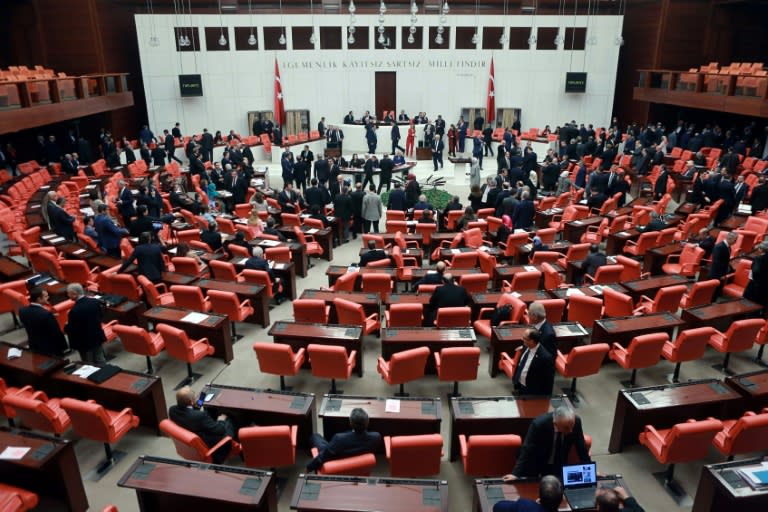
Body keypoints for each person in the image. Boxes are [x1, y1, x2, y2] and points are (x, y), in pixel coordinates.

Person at [504, 406, 591, 479]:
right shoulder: (539, 424)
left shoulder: (576, 422)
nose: (571, 430)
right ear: (555, 423)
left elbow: (581, 447)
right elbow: (527, 449)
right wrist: (515, 474)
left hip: (558, 464)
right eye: (566, 428)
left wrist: (590, 471)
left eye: (572, 425)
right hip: (537, 462)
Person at [169, 386, 236, 464]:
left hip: (194, 430)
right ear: (191, 402)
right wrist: (221, 420)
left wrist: (195, 406)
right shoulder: (200, 416)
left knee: (209, 412)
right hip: (210, 442)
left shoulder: (172, 410)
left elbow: (189, 415)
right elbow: (220, 430)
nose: (196, 399)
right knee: (230, 420)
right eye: (194, 397)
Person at [307, 407, 381, 472]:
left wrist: (308, 468)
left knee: (315, 436)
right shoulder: (376, 437)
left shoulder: (339, 438)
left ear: (350, 422)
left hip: (335, 462)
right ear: (367, 422)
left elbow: (322, 457)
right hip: (358, 465)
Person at [64, 283, 107, 364]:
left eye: (68, 293)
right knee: (100, 359)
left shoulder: (74, 311)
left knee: (88, 363)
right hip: (96, 336)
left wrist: (66, 326)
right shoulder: (95, 302)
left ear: (74, 293)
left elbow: (72, 329)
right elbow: (101, 316)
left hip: (84, 342)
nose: (67, 295)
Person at [18, 288, 68, 356]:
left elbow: (33, 321)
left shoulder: (22, 311)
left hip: (34, 346)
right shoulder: (46, 314)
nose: (48, 297)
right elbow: (56, 332)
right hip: (51, 348)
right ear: (39, 299)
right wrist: (64, 347)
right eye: (46, 296)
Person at [512, 328, 555, 396]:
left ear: (532, 341)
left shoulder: (545, 358)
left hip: (531, 391)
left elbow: (549, 381)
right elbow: (520, 364)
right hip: (519, 385)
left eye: (524, 338)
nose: (522, 339)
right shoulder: (526, 346)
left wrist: (546, 399)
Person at [493, 475, 563, 512]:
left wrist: (515, 503)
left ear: (540, 497)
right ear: (560, 500)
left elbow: (497, 507)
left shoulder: (525, 505)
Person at [744, 241, 768, 308]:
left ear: (761, 249)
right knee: (762, 305)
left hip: (756, 286)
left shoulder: (758, 259)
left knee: (748, 304)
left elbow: (755, 272)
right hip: (766, 287)